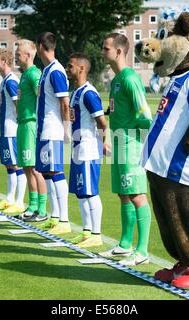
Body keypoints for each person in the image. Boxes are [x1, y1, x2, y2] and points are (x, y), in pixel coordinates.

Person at [99, 33, 153, 266]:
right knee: (124, 193)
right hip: (120, 141)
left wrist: (137, 139)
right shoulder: (117, 79)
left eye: (106, 48)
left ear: (119, 51)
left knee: (137, 195)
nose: (103, 52)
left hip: (131, 143)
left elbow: (145, 114)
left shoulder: (130, 79)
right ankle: (124, 245)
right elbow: (118, 109)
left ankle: (142, 250)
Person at [65, 53, 108, 247]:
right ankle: (86, 232)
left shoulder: (89, 93)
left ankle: (96, 234)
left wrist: (104, 143)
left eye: (70, 66)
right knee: (81, 192)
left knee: (90, 192)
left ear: (82, 69)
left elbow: (102, 122)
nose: (67, 69)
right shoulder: (75, 92)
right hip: (77, 149)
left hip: (88, 149)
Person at [34, 32, 71, 235]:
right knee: (47, 173)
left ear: (40, 46)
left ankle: (64, 218)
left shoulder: (56, 71)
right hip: (43, 130)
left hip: (53, 129)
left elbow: (64, 103)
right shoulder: (46, 70)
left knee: (56, 171)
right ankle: (55, 216)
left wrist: (66, 129)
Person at [14, 39, 48, 222]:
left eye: (18, 54)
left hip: (30, 124)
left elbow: (41, 98)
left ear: (27, 55)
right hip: (22, 124)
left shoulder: (35, 74)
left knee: (34, 168)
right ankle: (33, 205)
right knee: (27, 167)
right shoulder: (25, 74)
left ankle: (42, 208)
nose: (16, 57)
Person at [0, 48, 27, 214]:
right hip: (4, 130)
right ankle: (9, 198)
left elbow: (18, 104)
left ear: (5, 62)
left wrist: (19, 124)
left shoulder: (11, 81)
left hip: (11, 130)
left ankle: (19, 202)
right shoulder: (4, 80)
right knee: (9, 165)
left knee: (16, 165)